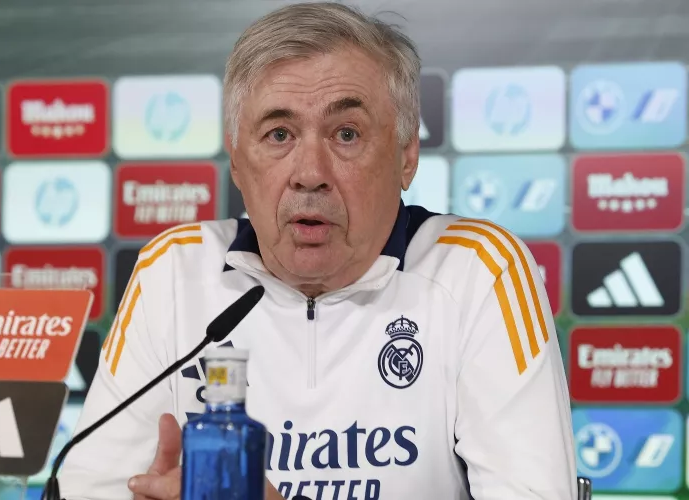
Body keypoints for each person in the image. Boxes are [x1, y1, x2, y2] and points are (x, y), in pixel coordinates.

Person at [58, 2, 578, 499]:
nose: (310, 173)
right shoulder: (173, 272)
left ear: (406, 155)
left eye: (346, 134)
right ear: (236, 161)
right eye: (278, 134)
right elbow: (87, 491)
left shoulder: (478, 270)